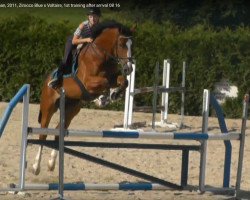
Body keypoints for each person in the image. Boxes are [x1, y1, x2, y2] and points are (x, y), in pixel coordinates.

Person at [48, 7, 101, 89]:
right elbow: (74, 41)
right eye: (91, 16)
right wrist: (86, 40)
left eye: (95, 16)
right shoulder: (83, 25)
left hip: (88, 45)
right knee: (66, 59)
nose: (93, 18)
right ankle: (57, 79)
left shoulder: (100, 27)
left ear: (99, 17)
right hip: (74, 42)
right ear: (88, 17)